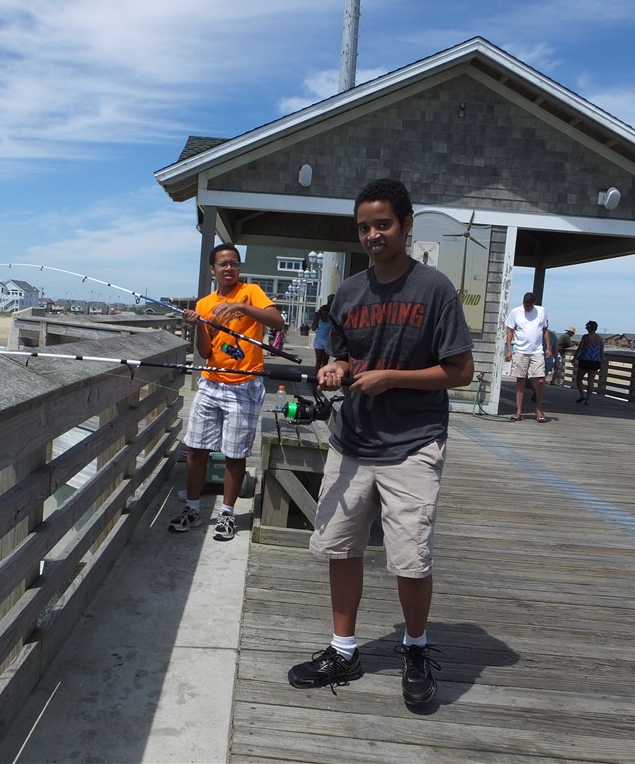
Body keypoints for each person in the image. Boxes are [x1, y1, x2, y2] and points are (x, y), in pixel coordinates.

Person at [286, 178, 474, 707]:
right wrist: (337, 369)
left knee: (411, 558)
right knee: (339, 547)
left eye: (383, 224)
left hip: (413, 443)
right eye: (364, 227)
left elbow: (461, 371)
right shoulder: (348, 292)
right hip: (351, 440)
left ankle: (415, 648)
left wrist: (392, 378)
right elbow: (341, 355)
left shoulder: (435, 289)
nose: (373, 235)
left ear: (407, 225)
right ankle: (343, 650)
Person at [169, 243, 285, 541]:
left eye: (234, 263)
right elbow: (206, 352)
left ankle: (227, 513)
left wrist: (241, 307)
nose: (229, 268)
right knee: (196, 448)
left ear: (239, 267)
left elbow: (278, 322)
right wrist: (198, 325)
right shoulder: (204, 304)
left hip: (245, 383)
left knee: (235, 452)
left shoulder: (251, 292)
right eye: (223, 264)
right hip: (211, 382)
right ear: (213, 270)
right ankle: (193, 508)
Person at [504, 292, 551, 422]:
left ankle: (538, 408)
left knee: (540, 380)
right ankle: (519, 411)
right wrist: (509, 350)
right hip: (520, 350)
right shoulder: (515, 312)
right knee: (520, 380)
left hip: (537, 350)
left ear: (534, 303)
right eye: (525, 304)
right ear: (523, 302)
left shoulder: (541, 311)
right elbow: (510, 331)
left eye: (530, 305)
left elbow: (545, 330)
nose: (527, 307)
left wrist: (548, 347)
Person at [572, 320, 604, 404]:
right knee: (591, 381)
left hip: (585, 360)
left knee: (579, 378)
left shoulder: (586, 337)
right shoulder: (600, 339)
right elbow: (601, 352)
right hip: (595, 362)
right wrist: (601, 362)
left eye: (586, 326)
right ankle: (588, 400)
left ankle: (582, 395)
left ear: (589, 327)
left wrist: (574, 358)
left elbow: (580, 348)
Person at [310, 299, 333, 372]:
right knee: (318, 362)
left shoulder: (331, 320)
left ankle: (323, 375)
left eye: (326, 312)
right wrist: (315, 318)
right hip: (319, 341)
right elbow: (313, 328)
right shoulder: (319, 319)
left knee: (325, 363)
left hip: (328, 342)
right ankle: (316, 375)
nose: (324, 314)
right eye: (323, 312)